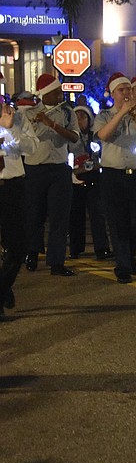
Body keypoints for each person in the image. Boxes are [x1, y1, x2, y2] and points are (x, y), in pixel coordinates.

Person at [93, 72, 136, 284]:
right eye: (122, 90)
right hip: (113, 174)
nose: (127, 93)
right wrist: (121, 113)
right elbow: (103, 135)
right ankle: (123, 266)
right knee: (118, 222)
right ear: (113, 94)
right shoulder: (104, 115)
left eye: (129, 89)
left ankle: (128, 254)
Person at [24, 74, 80, 276]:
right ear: (45, 94)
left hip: (59, 168)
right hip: (35, 168)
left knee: (59, 217)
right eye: (55, 92)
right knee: (34, 215)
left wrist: (53, 125)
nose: (60, 95)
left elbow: (74, 137)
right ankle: (32, 252)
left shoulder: (67, 112)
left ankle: (56, 261)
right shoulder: (29, 112)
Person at [0, 94, 38, 319]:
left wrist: (10, 128)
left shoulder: (17, 117)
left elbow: (32, 147)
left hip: (13, 186)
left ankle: (3, 286)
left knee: (19, 246)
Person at [68, 104, 111, 260]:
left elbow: (103, 154)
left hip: (94, 179)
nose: (80, 120)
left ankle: (102, 248)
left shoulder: (95, 136)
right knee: (75, 216)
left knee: (97, 215)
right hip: (75, 180)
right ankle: (75, 248)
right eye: (77, 117)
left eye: (83, 117)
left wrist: (97, 164)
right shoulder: (70, 136)